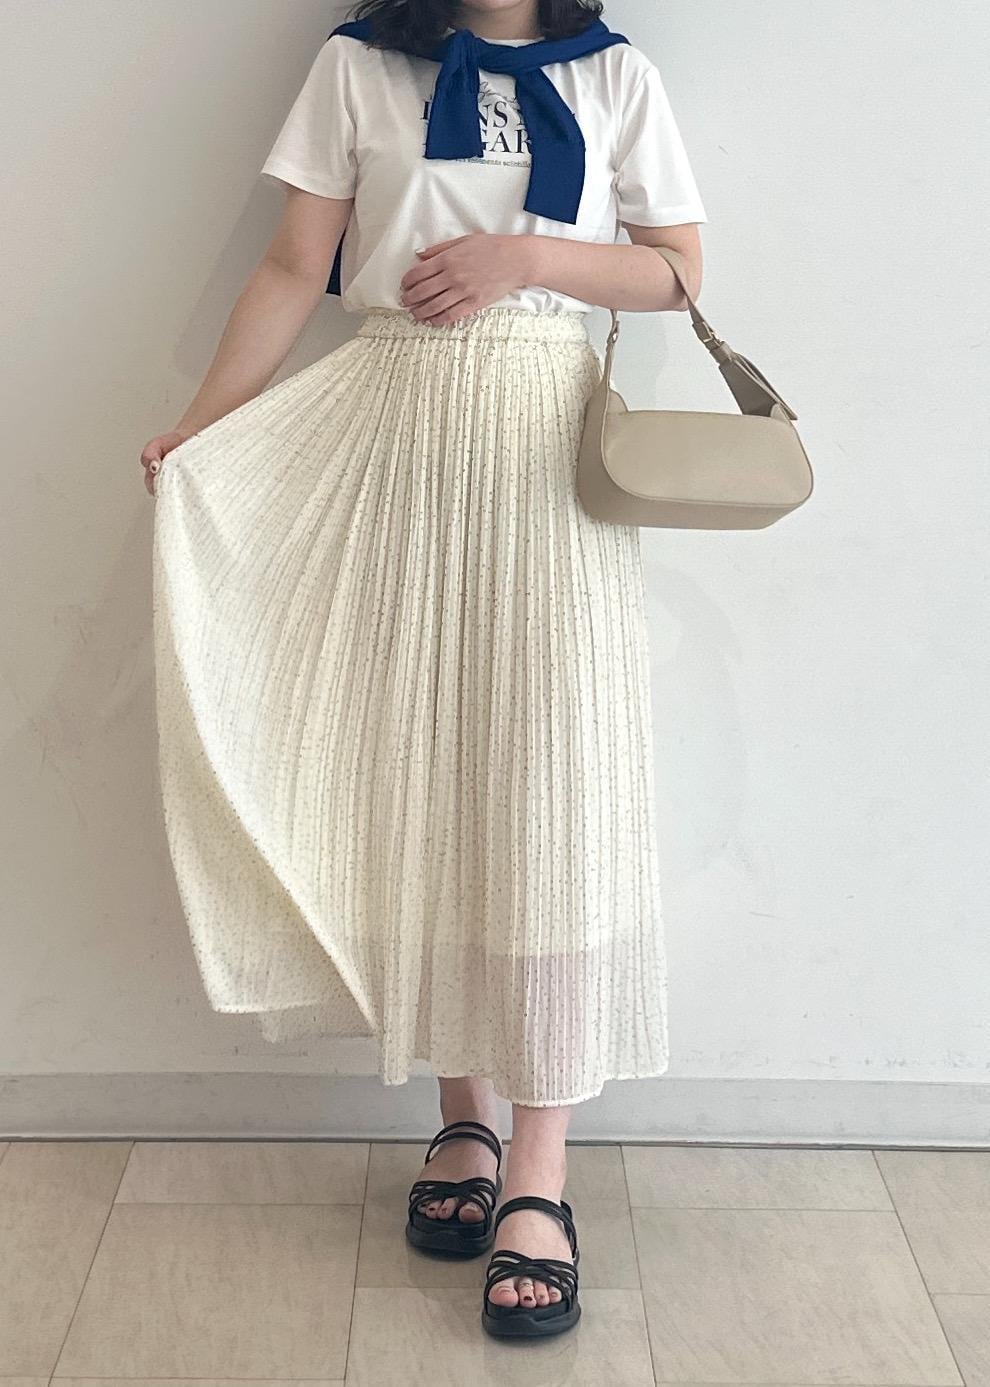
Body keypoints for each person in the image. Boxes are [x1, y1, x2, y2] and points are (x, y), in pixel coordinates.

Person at [144, 0, 706, 1341]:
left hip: (548, 455)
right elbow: (297, 265)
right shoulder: (357, 65)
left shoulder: (614, 75)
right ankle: (462, 1120)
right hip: (394, 436)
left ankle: (541, 1173)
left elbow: (680, 272)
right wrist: (201, 428)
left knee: (548, 795)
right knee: (427, 782)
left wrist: (529, 258)